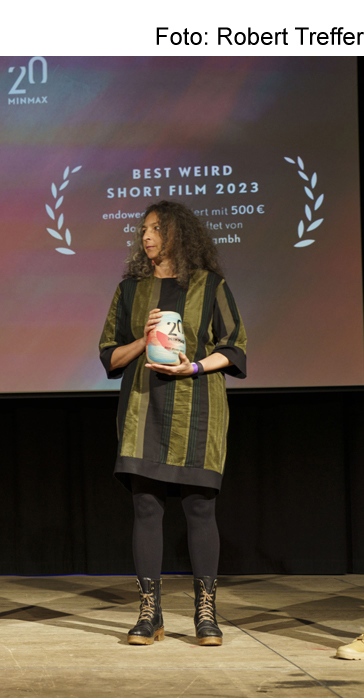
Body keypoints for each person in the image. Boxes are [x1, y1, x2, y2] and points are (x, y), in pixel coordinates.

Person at [99, 200, 246, 646]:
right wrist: (142, 341)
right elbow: (109, 356)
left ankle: (206, 612)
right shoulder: (130, 290)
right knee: (146, 506)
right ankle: (150, 613)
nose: (147, 236)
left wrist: (194, 366)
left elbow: (235, 348)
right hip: (143, 406)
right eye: (144, 229)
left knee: (200, 507)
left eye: (157, 229)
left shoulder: (211, 285)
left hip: (198, 407)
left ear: (178, 234)